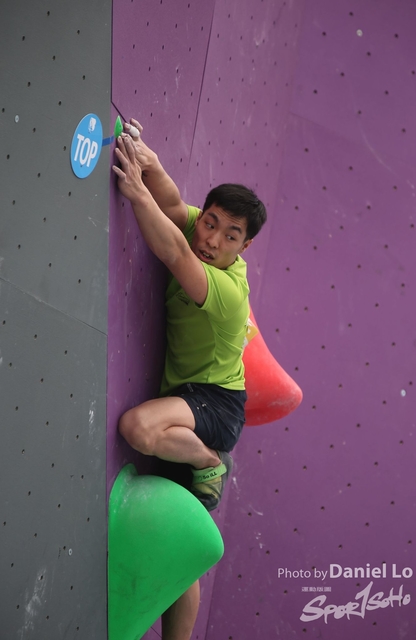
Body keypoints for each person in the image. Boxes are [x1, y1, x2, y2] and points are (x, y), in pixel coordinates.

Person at [112, 119, 267, 640]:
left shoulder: (227, 292)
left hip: (216, 404)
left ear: (244, 246)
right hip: (190, 399)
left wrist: (135, 192)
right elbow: (176, 207)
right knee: (177, 541)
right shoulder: (200, 229)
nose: (212, 239)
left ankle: (208, 462)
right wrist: (146, 158)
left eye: (230, 236)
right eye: (212, 223)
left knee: (138, 428)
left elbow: (174, 252)